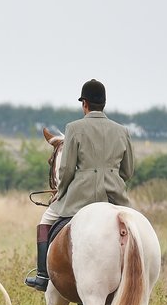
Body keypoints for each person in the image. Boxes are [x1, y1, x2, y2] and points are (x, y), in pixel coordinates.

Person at [25, 79, 134, 291]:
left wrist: (61, 192)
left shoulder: (74, 128)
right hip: (115, 197)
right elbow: (128, 171)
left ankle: (42, 275)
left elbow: (65, 170)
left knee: (45, 220)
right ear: (104, 103)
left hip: (80, 196)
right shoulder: (122, 131)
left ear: (85, 103)